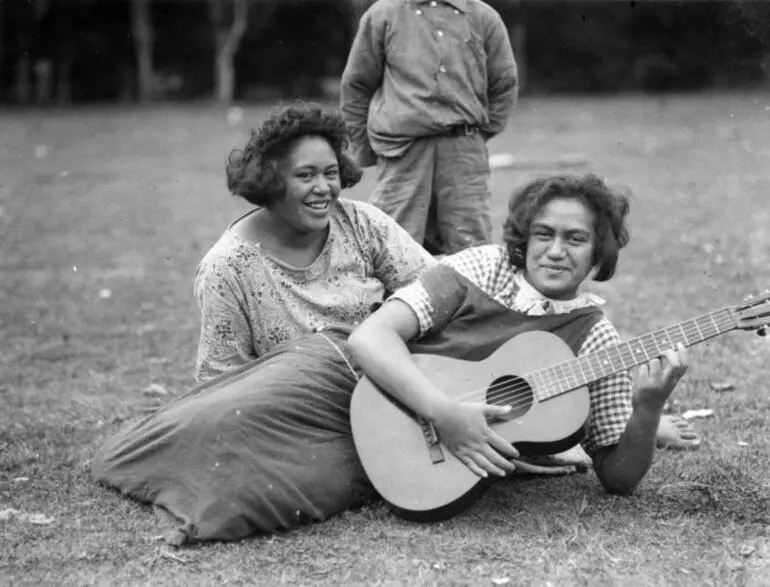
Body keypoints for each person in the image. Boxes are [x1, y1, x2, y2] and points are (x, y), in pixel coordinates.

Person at [91, 104, 435, 543]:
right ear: (271, 180)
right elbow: (228, 385)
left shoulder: (362, 223)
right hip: (297, 416)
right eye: (305, 175)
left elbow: (431, 293)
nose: (323, 188)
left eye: (331, 173)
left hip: (390, 386)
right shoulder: (227, 268)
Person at [348, 174, 690, 493]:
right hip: (386, 414)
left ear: (599, 251)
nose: (556, 251)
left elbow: (619, 477)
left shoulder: (596, 338)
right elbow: (370, 337)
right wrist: (443, 413)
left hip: (438, 477)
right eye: (543, 234)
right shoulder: (481, 269)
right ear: (525, 238)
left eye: (575, 238)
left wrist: (648, 408)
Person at [340, 0, 518, 255]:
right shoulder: (384, 14)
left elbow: (504, 83)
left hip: (464, 154)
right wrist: (366, 148)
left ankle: (466, 296)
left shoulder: (483, 16)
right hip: (402, 152)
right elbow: (357, 84)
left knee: (471, 244)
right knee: (392, 243)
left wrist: (474, 137)